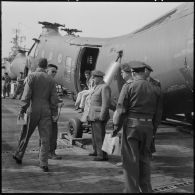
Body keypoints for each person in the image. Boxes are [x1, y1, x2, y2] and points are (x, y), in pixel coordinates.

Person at [112, 61, 162, 193]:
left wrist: (116, 127)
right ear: (144, 73)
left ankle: (131, 190)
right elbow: (158, 113)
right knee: (144, 160)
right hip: (148, 127)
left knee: (130, 161)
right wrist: (153, 130)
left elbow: (121, 109)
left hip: (132, 127)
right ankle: (146, 190)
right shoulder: (156, 88)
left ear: (133, 73)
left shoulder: (128, 87)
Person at [13, 58, 58, 172]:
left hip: (32, 109)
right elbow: (54, 99)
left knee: (26, 134)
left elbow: (26, 95)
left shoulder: (32, 76)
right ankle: (43, 163)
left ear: (37, 65)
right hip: (46, 111)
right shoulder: (51, 80)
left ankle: (19, 155)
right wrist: (54, 113)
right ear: (46, 66)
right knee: (45, 138)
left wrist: (22, 109)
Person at [87, 70, 111, 161]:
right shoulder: (97, 86)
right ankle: (96, 151)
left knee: (100, 136)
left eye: (94, 77)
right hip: (94, 115)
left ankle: (102, 155)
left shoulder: (104, 87)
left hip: (99, 115)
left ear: (100, 77)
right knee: (94, 135)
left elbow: (106, 103)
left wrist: (102, 115)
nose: (93, 79)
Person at [45, 64, 63, 160]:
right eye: (52, 71)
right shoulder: (49, 82)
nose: (54, 73)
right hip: (50, 112)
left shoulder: (48, 82)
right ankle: (50, 153)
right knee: (52, 133)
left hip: (47, 111)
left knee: (47, 133)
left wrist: (58, 100)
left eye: (55, 72)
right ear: (47, 70)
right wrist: (55, 113)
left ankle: (45, 152)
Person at [144, 64, 163, 154]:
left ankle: (149, 153)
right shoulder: (137, 82)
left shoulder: (156, 83)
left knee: (151, 135)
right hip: (142, 113)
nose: (145, 72)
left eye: (147, 71)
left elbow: (159, 101)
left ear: (149, 72)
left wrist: (158, 116)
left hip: (153, 114)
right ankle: (144, 153)